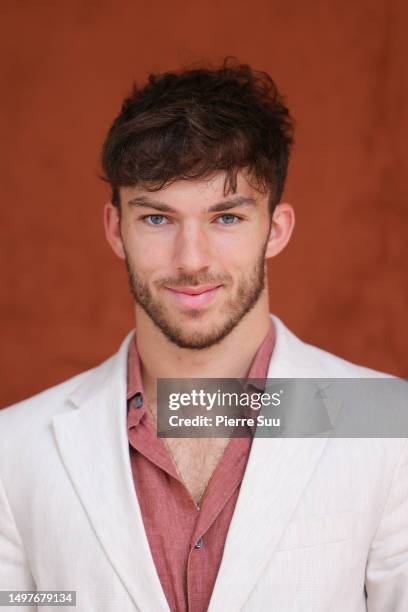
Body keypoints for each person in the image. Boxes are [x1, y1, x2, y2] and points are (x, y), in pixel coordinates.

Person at [0, 58, 407, 612]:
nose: (192, 261)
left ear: (276, 229)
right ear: (116, 230)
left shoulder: (389, 425)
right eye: (157, 219)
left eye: (227, 218)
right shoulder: (16, 448)